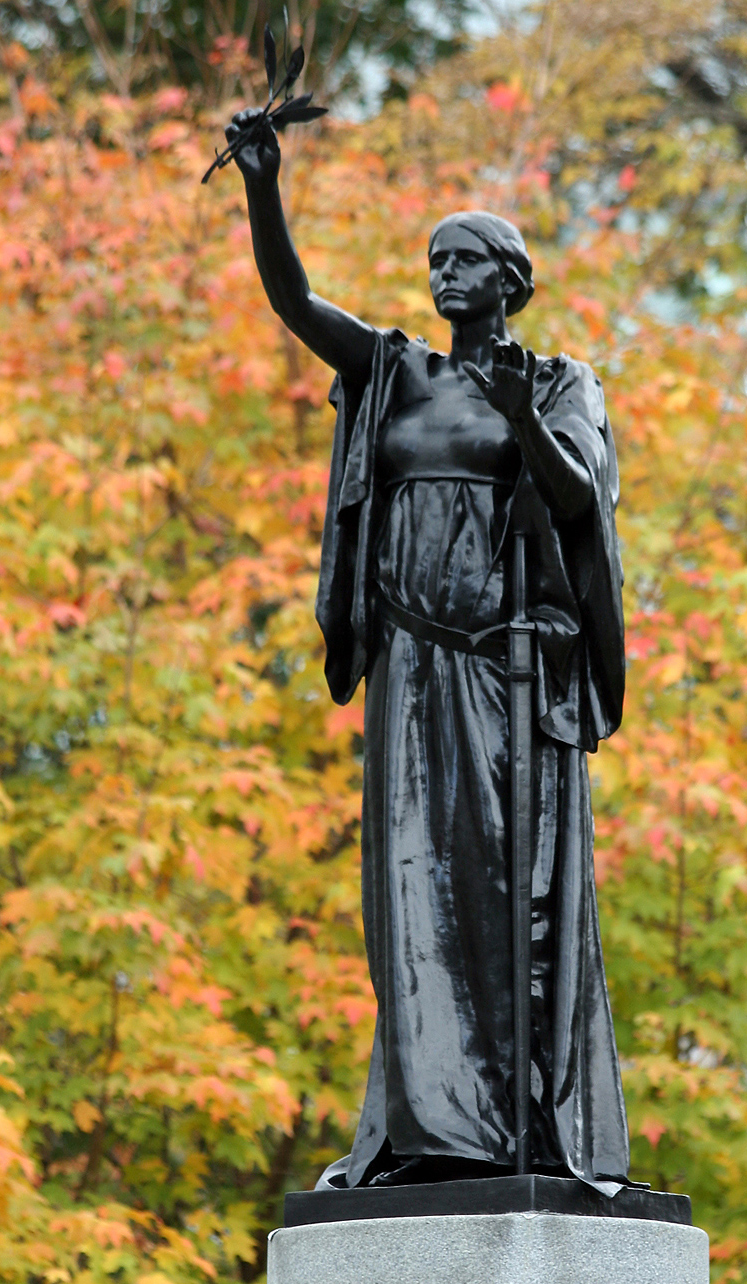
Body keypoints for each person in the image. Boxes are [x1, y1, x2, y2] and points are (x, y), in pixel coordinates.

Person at [227, 109, 630, 1190]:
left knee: (510, 890)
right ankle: (432, 1129)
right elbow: (294, 302)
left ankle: (520, 1129)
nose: (445, 275)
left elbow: (582, 501)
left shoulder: (557, 385)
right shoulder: (396, 374)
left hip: (508, 670)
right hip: (415, 669)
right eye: (435, 261)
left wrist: (523, 420)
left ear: (511, 278)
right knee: (416, 890)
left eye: (467, 260)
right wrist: (265, 188)